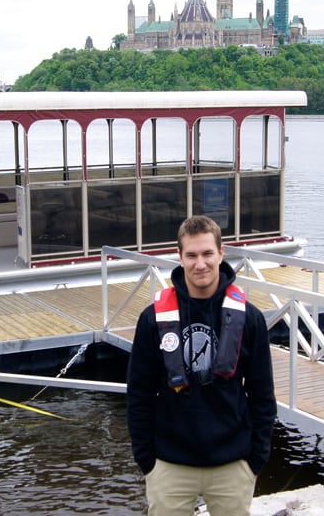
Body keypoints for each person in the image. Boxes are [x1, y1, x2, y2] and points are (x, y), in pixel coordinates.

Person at [126, 215, 277, 516]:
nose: (200, 263)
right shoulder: (151, 319)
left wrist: (255, 460)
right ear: (179, 257)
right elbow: (138, 394)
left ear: (221, 254)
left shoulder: (250, 318)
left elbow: (263, 396)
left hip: (232, 464)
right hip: (170, 465)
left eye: (208, 253)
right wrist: (147, 461)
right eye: (192, 255)